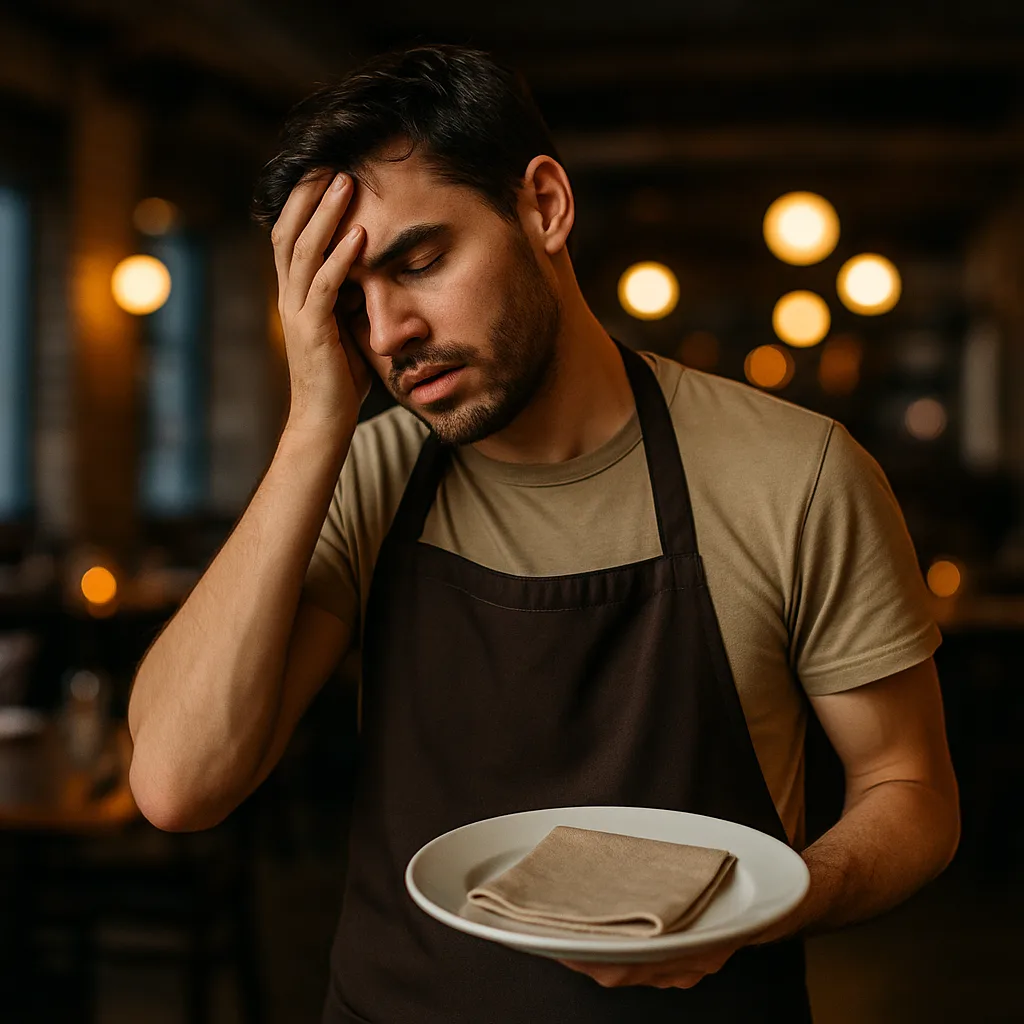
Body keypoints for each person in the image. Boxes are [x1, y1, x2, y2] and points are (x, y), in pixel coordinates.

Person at [127, 44, 960, 1023]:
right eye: (350, 302)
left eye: (420, 261)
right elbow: (179, 786)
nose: (388, 330)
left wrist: (772, 905)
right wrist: (317, 420)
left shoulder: (797, 474)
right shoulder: (364, 479)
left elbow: (908, 788)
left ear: (544, 206)